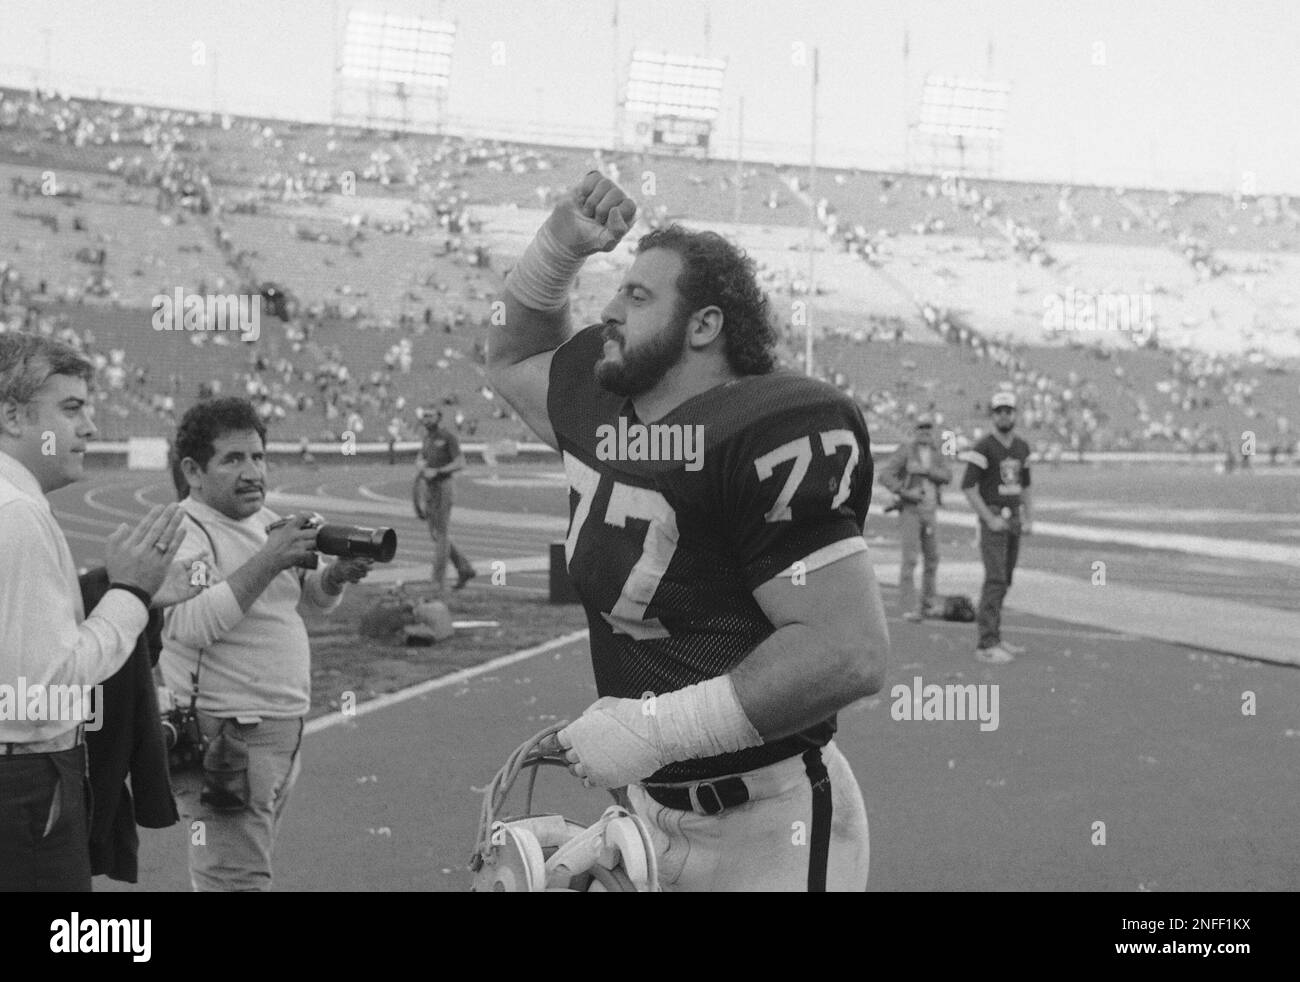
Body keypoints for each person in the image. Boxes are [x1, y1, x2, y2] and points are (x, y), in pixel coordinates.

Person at [489, 171, 889, 891]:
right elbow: (514, 356)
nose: (609, 309)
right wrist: (557, 246)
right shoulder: (603, 414)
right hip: (647, 811)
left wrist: (652, 730)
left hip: (769, 822)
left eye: (638, 296)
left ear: (704, 325)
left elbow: (848, 652)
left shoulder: (767, 428)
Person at [0, 334, 190, 891]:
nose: (90, 428)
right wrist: (130, 595)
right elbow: (43, 691)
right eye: (72, 409)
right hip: (26, 780)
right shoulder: (17, 516)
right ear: (13, 416)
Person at [160, 397, 373, 891]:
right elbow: (187, 623)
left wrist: (336, 576)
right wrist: (270, 559)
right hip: (227, 736)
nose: (252, 471)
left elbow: (311, 599)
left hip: (279, 731)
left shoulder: (264, 522)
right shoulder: (185, 531)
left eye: (257, 457)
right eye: (233, 459)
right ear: (193, 470)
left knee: (236, 872)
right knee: (237, 880)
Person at [961, 391, 1034, 664]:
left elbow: (1025, 485)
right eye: (999, 411)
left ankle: (997, 636)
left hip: (1013, 518)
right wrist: (987, 518)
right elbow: (968, 486)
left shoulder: (1022, 447)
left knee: (1006, 579)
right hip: (994, 517)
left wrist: (1029, 517)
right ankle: (986, 642)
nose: (1004, 415)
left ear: (1015, 414)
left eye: (1008, 410)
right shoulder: (983, 447)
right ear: (992, 415)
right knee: (995, 579)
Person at [879, 413, 951, 621]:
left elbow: (947, 476)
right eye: (921, 428)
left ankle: (928, 602)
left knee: (932, 559)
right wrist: (903, 491)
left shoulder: (937, 452)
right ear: (915, 430)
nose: (925, 432)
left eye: (928, 428)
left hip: (930, 511)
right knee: (910, 559)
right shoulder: (906, 451)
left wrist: (928, 471)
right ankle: (908, 606)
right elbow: (885, 475)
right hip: (911, 510)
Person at [416, 407, 476, 593]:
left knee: (441, 533)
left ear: (439, 418)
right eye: (424, 416)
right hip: (430, 488)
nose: (426, 419)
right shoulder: (427, 438)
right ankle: (464, 568)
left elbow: (460, 462)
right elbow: (422, 458)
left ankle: (437, 580)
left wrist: (440, 471)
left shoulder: (448, 437)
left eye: (430, 416)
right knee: (436, 534)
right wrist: (420, 464)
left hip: (444, 486)